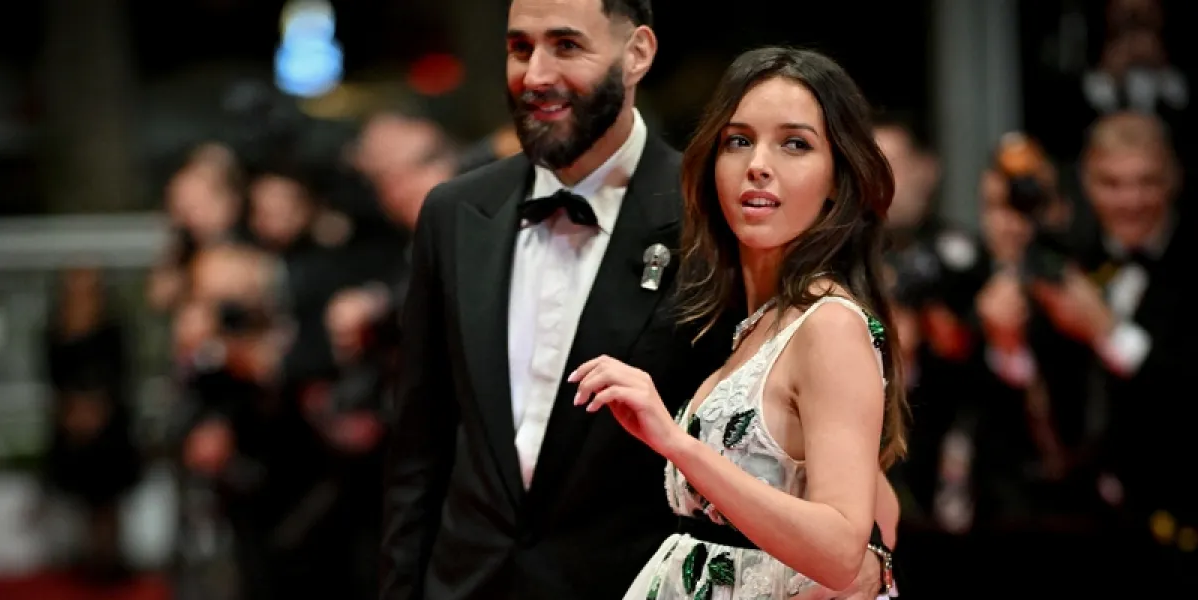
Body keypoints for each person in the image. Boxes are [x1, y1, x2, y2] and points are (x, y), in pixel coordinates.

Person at [381, 2, 894, 599]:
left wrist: (867, 560)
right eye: (520, 48)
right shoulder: (453, 213)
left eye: (566, 46)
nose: (537, 73)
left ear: (638, 53)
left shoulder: (719, 224)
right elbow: (419, 447)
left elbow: (848, 507)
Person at [568, 46, 907, 599]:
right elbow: (881, 515)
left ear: (838, 179)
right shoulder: (761, 324)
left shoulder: (829, 325)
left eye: (795, 144)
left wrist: (679, 445)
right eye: (739, 140)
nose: (758, 164)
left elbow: (847, 551)